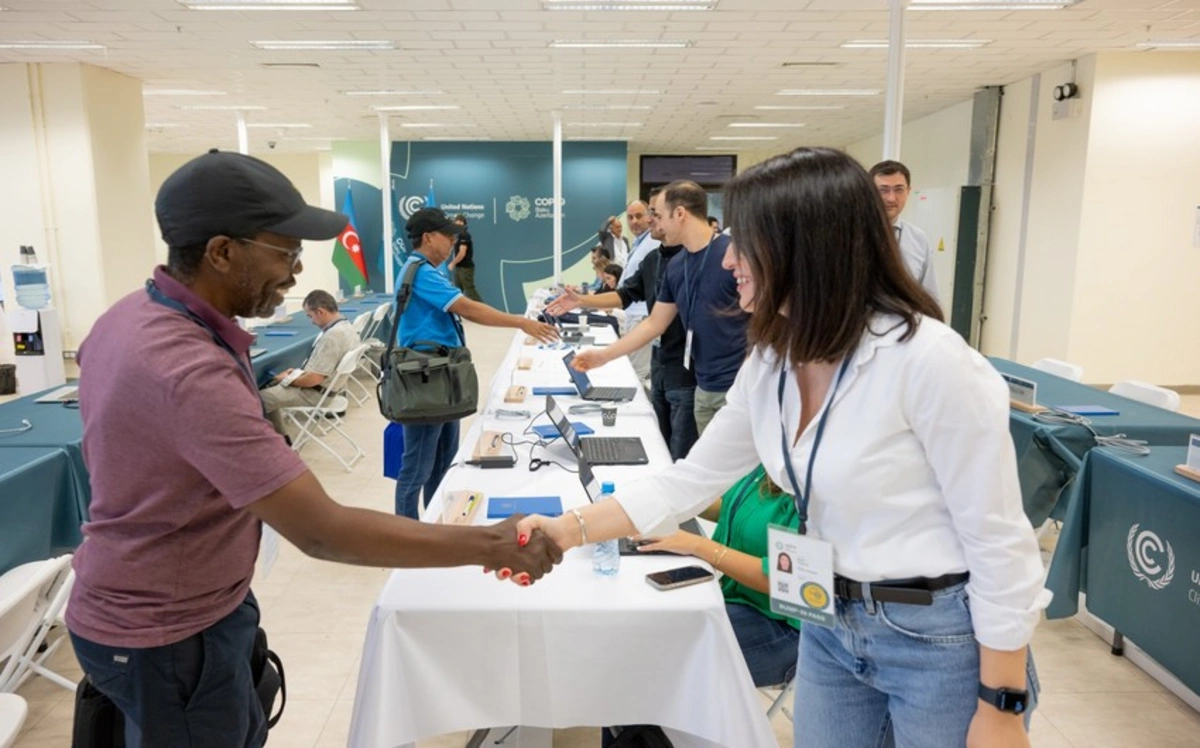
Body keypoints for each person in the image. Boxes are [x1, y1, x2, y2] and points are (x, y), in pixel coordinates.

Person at [517, 147, 1048, 748]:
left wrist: (1001, 703)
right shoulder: (772, 359)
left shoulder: (931, 361)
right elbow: (688, 480)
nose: (732, 259)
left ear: (810, 247)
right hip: (826, 618)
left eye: (749, 243)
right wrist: (563, 530)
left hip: (935, 635)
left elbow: (1000, 539)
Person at [66, 150, 563, 748]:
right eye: (286, 252)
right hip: (168, 636)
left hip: (177, 610)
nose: (298, 273)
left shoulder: (128, 317)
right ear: (222, 251)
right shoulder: (185, 367)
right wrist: (490, 543)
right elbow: (322, 531)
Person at [393, 207, 557, 519]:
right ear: (428, 237)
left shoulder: (427, 269)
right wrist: (521, 323)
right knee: (417, 468)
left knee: (443, 461)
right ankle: (408, 534)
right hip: (426, 378)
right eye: (447, 235)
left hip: (441, 374)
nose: (453, 241)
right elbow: (469, 309)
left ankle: (436, 521)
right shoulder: (421, 271)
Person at [572, 180, 748, 434]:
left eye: (659, 216)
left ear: (680, 214)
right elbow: (655, 323)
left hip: (738, 389)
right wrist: (603, 356)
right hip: (704, 387)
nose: (657, 223)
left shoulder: (733, 256)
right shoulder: (676, 266)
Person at [547, 189, 698, 460]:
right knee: (662, 448)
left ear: (678, 215)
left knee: (682, 456)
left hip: (688, 375)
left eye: (654, 214)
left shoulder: (692, 262)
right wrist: (581, 300)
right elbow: (625, 294)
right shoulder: (655, 259)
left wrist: (604, 355)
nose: (650, 220)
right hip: (661, 365)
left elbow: (656, 323)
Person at [635, 464, 800, 688]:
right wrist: (668, 501)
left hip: (784, 629)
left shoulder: (810, 488)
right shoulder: (768, 465)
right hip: (739, 599)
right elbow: (732, 510)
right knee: (646, 629)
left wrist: (701, 547)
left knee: (659, 659)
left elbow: (786, 581)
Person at [258, 289, 361, 433]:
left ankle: (270, 444)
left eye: (310, 316)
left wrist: (287, 379)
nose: (311, 321)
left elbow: (313, 379)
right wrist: (295, 374)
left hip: (313, 394)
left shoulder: (332, 336)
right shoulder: (347, 327)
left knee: (258, 399)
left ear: (320, 312)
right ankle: (282, 440)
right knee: (269, 390)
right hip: (326, 390)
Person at [869, 160, 941, 305]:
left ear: (908, 191)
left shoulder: (918, 239)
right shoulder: (850, 236)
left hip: (907, 325)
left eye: (899, 189)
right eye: (883, 190)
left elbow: (929, 295)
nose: (891, 198)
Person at [616, 199, 659, 381]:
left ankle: (636, 410)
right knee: (632, 368)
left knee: (636, 372)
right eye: (630, 217)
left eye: (639, 216)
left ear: (649, 216)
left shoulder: (653, 242)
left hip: (642, 314)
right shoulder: (638, 242)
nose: (634, 221)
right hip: (631, 312)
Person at [447, 213, 482, 302]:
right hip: (459, 267)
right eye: (456, 222)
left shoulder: (464, 235)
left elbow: (462, 253)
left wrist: (452, 263)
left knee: (470, 291)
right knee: (457, 292)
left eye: (460, 222)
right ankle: (457, 314)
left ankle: (482, 313)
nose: (458, 224)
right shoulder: (458, 235)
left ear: (464, 224)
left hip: (465, 268)